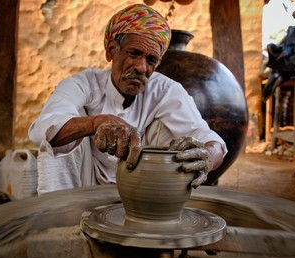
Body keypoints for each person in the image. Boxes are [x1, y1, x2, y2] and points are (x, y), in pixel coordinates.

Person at [29, 3, 227, 194]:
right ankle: (60, 217)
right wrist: (95, 123)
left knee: (183, 141)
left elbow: (209, 139)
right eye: (134, 53)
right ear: (111, 51)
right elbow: (41, 131)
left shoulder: (165, 89)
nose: (141, 67)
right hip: (85, 186)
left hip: (143, 187)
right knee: (62, 131)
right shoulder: (83, 84)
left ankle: (162, 214)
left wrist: (207, 157)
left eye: (151, 60)